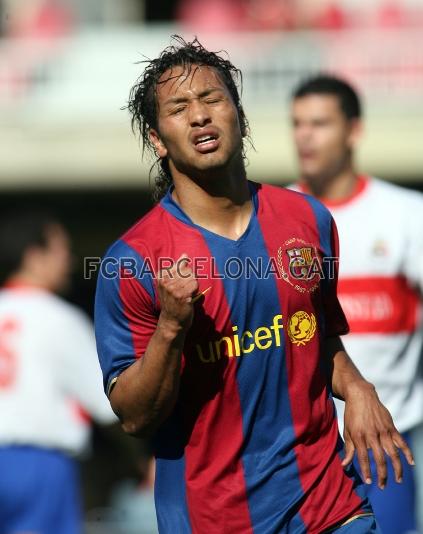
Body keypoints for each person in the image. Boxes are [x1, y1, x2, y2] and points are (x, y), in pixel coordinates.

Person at [95, 36, 414, 533]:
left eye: (213, 99)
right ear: (158, 140)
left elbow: (314, 335)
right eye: (179, 108)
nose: (200, 115)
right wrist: (171, 328)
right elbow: (135, 417)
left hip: (329, 503)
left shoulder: (307, 219)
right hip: (213, 518)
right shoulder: (133, 261)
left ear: (238, 116)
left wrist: (357, 388)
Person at [290, 74, 423, 534]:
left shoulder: (407, 215)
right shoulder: (276, 220)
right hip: (301, 448)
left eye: (319, 123)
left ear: (354, 130)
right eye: (297, 124)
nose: (305, 136)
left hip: (390, 440)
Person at [0, 211, 116, 534]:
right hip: (38, 464)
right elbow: (111, 404)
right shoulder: (58, 318)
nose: (70, 260)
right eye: (61, 250)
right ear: (34, 256)